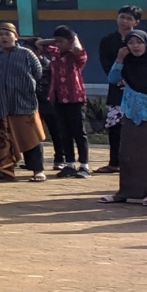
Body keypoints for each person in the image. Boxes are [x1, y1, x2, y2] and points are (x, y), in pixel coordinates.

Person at [105, 28, 147, 205]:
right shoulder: (127, 64)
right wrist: (119, 59)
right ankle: (125, 192)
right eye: (131, 43)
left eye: (139, 42)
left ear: (146, 44)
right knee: (128, 154)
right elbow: (112, 79)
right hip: (131, 113)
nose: (135, 46)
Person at [0, 22, 47, 181]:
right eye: (0, 34)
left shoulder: (26, 54)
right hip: (1, 105)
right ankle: (5, 170)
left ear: (16, 37)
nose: (4, 37)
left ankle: (38, 170)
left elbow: (38, 73)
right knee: (4, 138)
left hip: (23, 104)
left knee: (31, 138)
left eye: (7, 34)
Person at [98, 7, 145, 174]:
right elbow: (106, 64)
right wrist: (120, 80)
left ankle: (138, 161)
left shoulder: (141, 40)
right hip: (117, 88)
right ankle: (114, 162)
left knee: (138, 126)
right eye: (122, 17)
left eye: (129, 18)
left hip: (139, 89)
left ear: (136, 22)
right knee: (115, 127)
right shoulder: (107, 41)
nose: (124, 21)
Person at [46, 26, 90, 179]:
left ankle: (84, 165)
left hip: (74, 98)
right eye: (56, 41)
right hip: (58, 98)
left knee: (79, 132)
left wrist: (74, 37)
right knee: (64, 133)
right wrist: (56, 40)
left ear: (70, 42)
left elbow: (77, 49)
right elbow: (39, 44)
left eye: (61, 41)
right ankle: (69, 164)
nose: (58, 44)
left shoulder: (76, 56)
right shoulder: (55, 53)